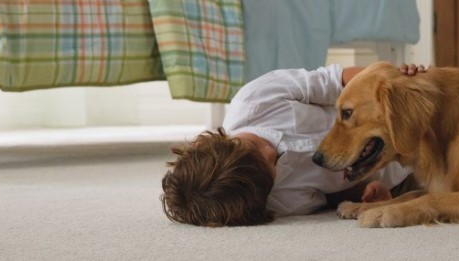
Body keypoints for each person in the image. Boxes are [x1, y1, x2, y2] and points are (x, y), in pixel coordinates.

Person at [161, 63, 426, 227]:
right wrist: (367, 192)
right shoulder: (277, 202)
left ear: (219, 138)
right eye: (273, 166)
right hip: (401, 175)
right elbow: (328, 197)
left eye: (255, 147)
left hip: (397, 110)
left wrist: (395, 82)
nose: (272, 151)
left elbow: (337, 80)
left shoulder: (254, 100)